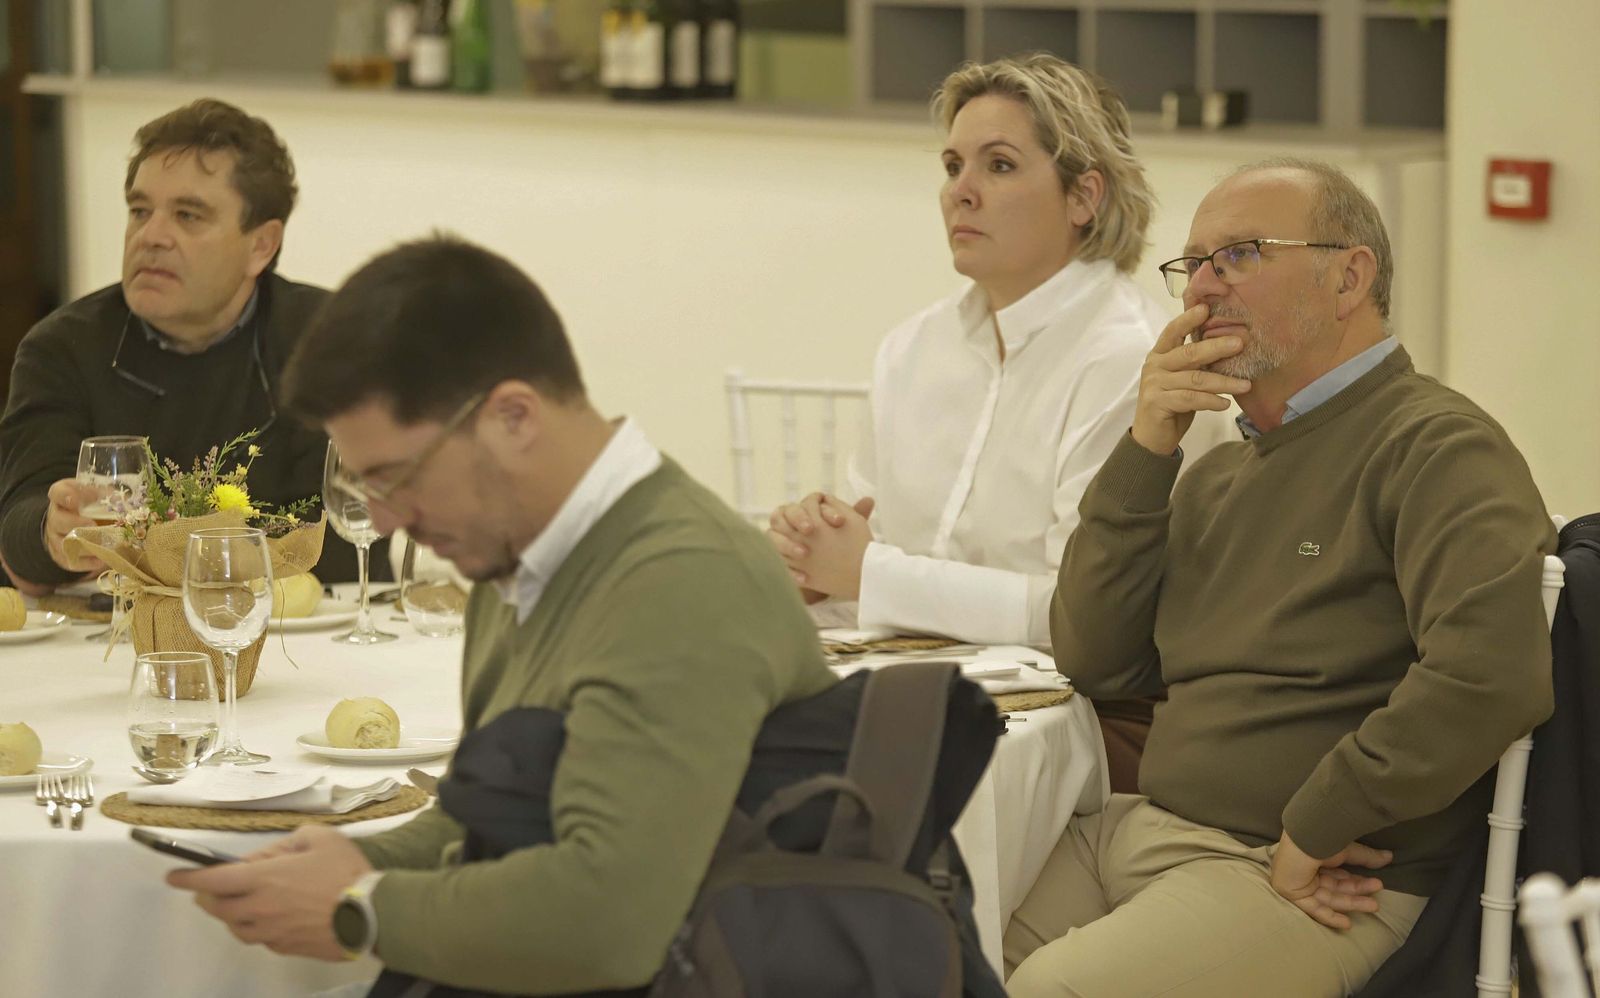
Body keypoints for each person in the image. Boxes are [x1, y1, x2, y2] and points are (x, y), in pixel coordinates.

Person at [164, 236, 836, 995]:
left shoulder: (683, 581)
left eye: (397, 476)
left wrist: (362, 908)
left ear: (514, 417)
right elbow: (481, 819)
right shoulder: (519, 556)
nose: (382, 521)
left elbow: (608, 925)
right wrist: (350, 866)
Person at [1002, 158, 1556, 997]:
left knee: (1052, 992)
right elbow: (1094, 657)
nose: (1202, 287)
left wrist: (1319, 822)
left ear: (1349, 278)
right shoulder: (1216, 475)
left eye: (1240, 254)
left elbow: (1491, 673)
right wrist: (1148, 444)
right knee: (919, 938)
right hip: (1146, 830)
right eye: (1194, 263)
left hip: (1308, 873)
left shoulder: (1436, 445)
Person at [766, 54, 1222, 791]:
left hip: (1084, 717)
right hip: (912, 683)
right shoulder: (912, 347)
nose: (961, 192)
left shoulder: (1129, 358)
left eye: (999, 165)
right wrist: (816, 565)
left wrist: (869, 572)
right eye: (952, 166)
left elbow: (1077, 618)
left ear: (1084, 196)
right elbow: (868, 554)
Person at [0, 98, 375, 590]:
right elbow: (19, 527)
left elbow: (348, 543)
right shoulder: (63, 346)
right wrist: (52, 534)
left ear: (261, 245)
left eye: (188, 215)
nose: (151, 236)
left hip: (306, 629)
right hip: (114, 630)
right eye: (140, 211)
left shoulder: (330, 340)